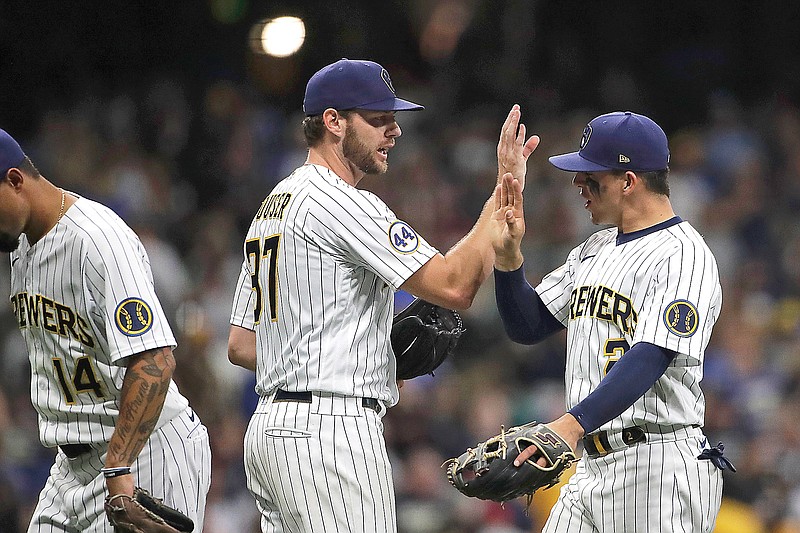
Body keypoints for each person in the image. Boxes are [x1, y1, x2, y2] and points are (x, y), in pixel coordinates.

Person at [227, 58, 538, 532]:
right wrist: (502, 191)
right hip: (331, 433)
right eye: (378, 119)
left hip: (272, 434)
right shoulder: (341, 201)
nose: (393, 131)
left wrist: (353, 352)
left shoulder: (273, 205)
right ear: (333, 122)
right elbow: (455, 286)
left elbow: (242, 345)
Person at [493, 111, 731, 532]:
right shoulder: (594, 248)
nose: (578, 184)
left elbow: (651, 355)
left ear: (628, 180)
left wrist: (569, 425)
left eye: (591, 176)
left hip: (657, 465)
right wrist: (509, 259)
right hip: (590, 464)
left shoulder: (683, 255)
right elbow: (526, 326)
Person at [0, 129, 211, 532]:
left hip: (143, 453)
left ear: (14, 181)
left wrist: (119, 468)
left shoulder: (97, 239)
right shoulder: (23, 246)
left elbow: (154, 360)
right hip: (71, 465)